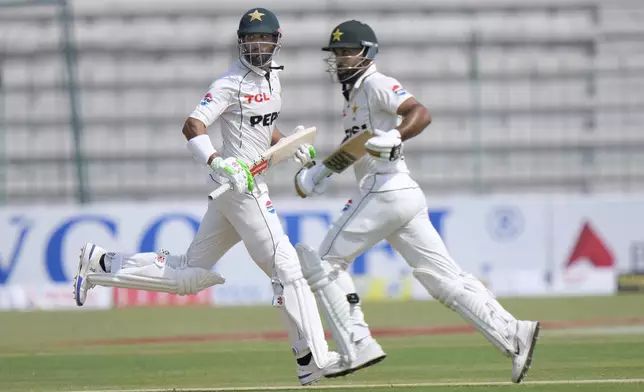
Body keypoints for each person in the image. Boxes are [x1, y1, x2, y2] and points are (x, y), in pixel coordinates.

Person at [73, 8, 340, 386]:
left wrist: (289, 145)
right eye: (250, 41)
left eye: (263, 40)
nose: (257, 47)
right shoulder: (230, 82)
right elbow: (192, 125)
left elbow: (259, 127)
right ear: (241, 43)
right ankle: (315, 356)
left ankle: (100, 263)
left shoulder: (273, 80)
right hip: (241, 188)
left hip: (242, 190)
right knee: (288, 268)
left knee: (188, 274)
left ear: (277, 41)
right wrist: (218, 162)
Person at [293, 20, 540, 383]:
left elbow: (420, 113)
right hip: (397, 195)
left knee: (326, 261)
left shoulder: (376, 83)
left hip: (385, 189)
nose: (341, 59)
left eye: (347, 51)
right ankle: (514, 332)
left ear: (367, 53)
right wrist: (318, 173)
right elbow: (359, 148)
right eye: (337, 54)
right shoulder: (355, 98)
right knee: (444, 280)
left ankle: (357, 343)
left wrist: (396, 134)